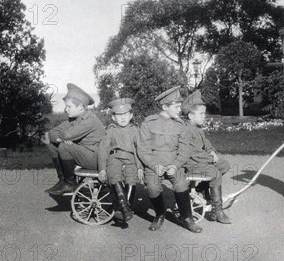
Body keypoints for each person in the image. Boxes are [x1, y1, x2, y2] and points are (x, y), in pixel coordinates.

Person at [137, 86, 202, 233]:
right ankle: (160, 214)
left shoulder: (181, 125)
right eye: (176, 106)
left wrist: (177, 164)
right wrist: (153, 165)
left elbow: (185, 149)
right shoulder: (149, 123)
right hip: (154, 163)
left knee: (180, 184)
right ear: (165, 107)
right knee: (153, 187)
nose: (180, 109)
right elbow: (143, 149)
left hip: (174, 163)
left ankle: (187, 218)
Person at [180, 90, 231, 224]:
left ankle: (200, 189)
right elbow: (194, 152)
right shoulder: (186, 131)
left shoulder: (197, 129)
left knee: (224, 164)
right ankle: (217, 211)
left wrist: (211, 151)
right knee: (214, 172)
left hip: (200, 163)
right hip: (191, 165)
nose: (204, 116)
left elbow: (205, 143)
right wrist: (210, 158)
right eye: (201, 113)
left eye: (204, 113)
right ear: (191, 115)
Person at [44, 83, 105, 196]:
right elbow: (52, 133)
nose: (66, 109)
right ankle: (63, 180)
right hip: (84, 154)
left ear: (81, 107)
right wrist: (58, 139)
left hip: (96, 159)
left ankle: (70, 183)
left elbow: (67, 135)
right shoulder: (74, 118)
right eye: (66, 106)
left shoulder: (89, 120)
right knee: (52, 145)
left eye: (69, 106)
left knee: (65, 147)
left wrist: (63, 139)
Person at [98, 98, 142, 223]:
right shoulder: (111, 130)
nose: (123, 118)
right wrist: (102, 169)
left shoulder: (135, 130)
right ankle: (125, 209)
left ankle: (124, 208)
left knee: (131, 179)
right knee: (113, 175)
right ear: (113, 118)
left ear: (131, 115)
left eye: (126, 114)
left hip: (130, 158)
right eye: (119, 115)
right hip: (114, 157)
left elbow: (139, 149)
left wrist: (140, 166)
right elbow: (103, 149)